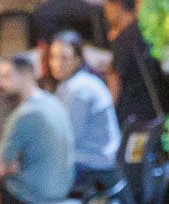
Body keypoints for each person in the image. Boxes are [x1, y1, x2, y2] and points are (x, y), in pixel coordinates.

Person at [0, 54, 74, 204]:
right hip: (59, 192)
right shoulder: (54, 103)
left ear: (26, 75)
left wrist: (10, 167)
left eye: (6, 76)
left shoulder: (24, 114)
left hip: (28, 194)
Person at [47, 31, 121, 195]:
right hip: (86, 162)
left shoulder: (80, 88)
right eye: (53, 57)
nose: (57, 63)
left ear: (78, 59)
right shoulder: (69, 85)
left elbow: (68, 136)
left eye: (64, 58)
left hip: (94, 167)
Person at [104, 0, 169, 125]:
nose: (105, 10)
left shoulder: (123, 39)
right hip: (153, 118)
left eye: (107, 4)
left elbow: (115, 83)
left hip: (131, 121)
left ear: (117, 5)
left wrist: (106, 118)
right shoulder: (148, 34)